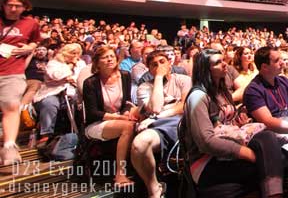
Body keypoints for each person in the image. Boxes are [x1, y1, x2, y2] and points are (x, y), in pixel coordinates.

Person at [183, 49, 283, 197]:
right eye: (217, 63)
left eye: (223, 60)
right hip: (206, 162)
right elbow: (206, 142)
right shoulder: (198, 97)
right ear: (205, 69)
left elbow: (225, 125)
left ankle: (275, 195)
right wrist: (244, 153)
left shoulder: (223, 92)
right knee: (270, 163)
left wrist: (239, 123)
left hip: (227, 150)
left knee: (268, 138)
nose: (224, 65)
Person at [132, 50, 192, 198]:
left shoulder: (184, 79)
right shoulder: (144, 87)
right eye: (154, 65)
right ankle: (154, 188)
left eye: (162, 62)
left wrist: (156, 116)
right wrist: (158, 78)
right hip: (158, 127)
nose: (159, 66)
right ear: (149, 70)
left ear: (170, 63)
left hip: (180, 123)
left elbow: (184, 106)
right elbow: (155, 107)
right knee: (139, 145)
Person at [83, 46, 138, 187]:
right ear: (97, 62)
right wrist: (120, 118)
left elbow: (126, 102)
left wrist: (126, 112)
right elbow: (92, 113)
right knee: (128, 126)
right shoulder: (90, 83)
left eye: (112, 56)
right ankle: (120, 174)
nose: (109, 59)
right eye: (105, 57)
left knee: (140, 117)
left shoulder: (125, 75)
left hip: (120, 119)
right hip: (97, 123)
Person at [0, 0, 41, 165]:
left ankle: (9, 146)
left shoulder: (30, 23)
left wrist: (28, 49)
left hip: (13, 71)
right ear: (3, 5)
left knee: (11, 106)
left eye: (17, 6)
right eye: (10, 5)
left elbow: (34, 42)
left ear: (25, 8)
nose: (13, 8)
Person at [33, 43, 86, 146]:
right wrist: (70, 66)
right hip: (53, 92)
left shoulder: (81, 63)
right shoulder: (53, 63)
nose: (76, 56)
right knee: (49, 103)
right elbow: (57, 75)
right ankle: (46, 134)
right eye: (73, 53)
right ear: (65, 53)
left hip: (73, 92)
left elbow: (81, 77)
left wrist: (70, 79)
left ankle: (80, 132)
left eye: (78, 53)